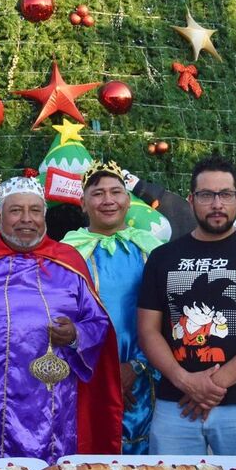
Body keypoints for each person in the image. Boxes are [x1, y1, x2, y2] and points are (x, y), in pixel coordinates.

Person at [0, 176, 122, 463]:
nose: (26, 219)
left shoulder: (68, 260)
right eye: (15, 210)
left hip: (60, 403)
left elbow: (97, 324)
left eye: (34, 211)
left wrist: (75, 335)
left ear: (44, 216)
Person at [137, 155, 236, 455]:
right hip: (176, 404)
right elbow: (148, 331)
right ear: (191, 199)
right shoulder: (162, 258)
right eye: (207, 195)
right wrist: (185, 381)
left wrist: (212, 384)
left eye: (225, 194)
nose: (217, 204)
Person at [63, 160, 163, 454]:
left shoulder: (153, 250)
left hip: (148, 376)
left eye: (116, 192)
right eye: (97, 193)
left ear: (128, 201)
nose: (108, 200)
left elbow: (171, 316)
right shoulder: (66, 254)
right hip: (88, 377)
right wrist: (104, 374)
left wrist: (136, 366)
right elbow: (59, 320)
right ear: (82, 203)